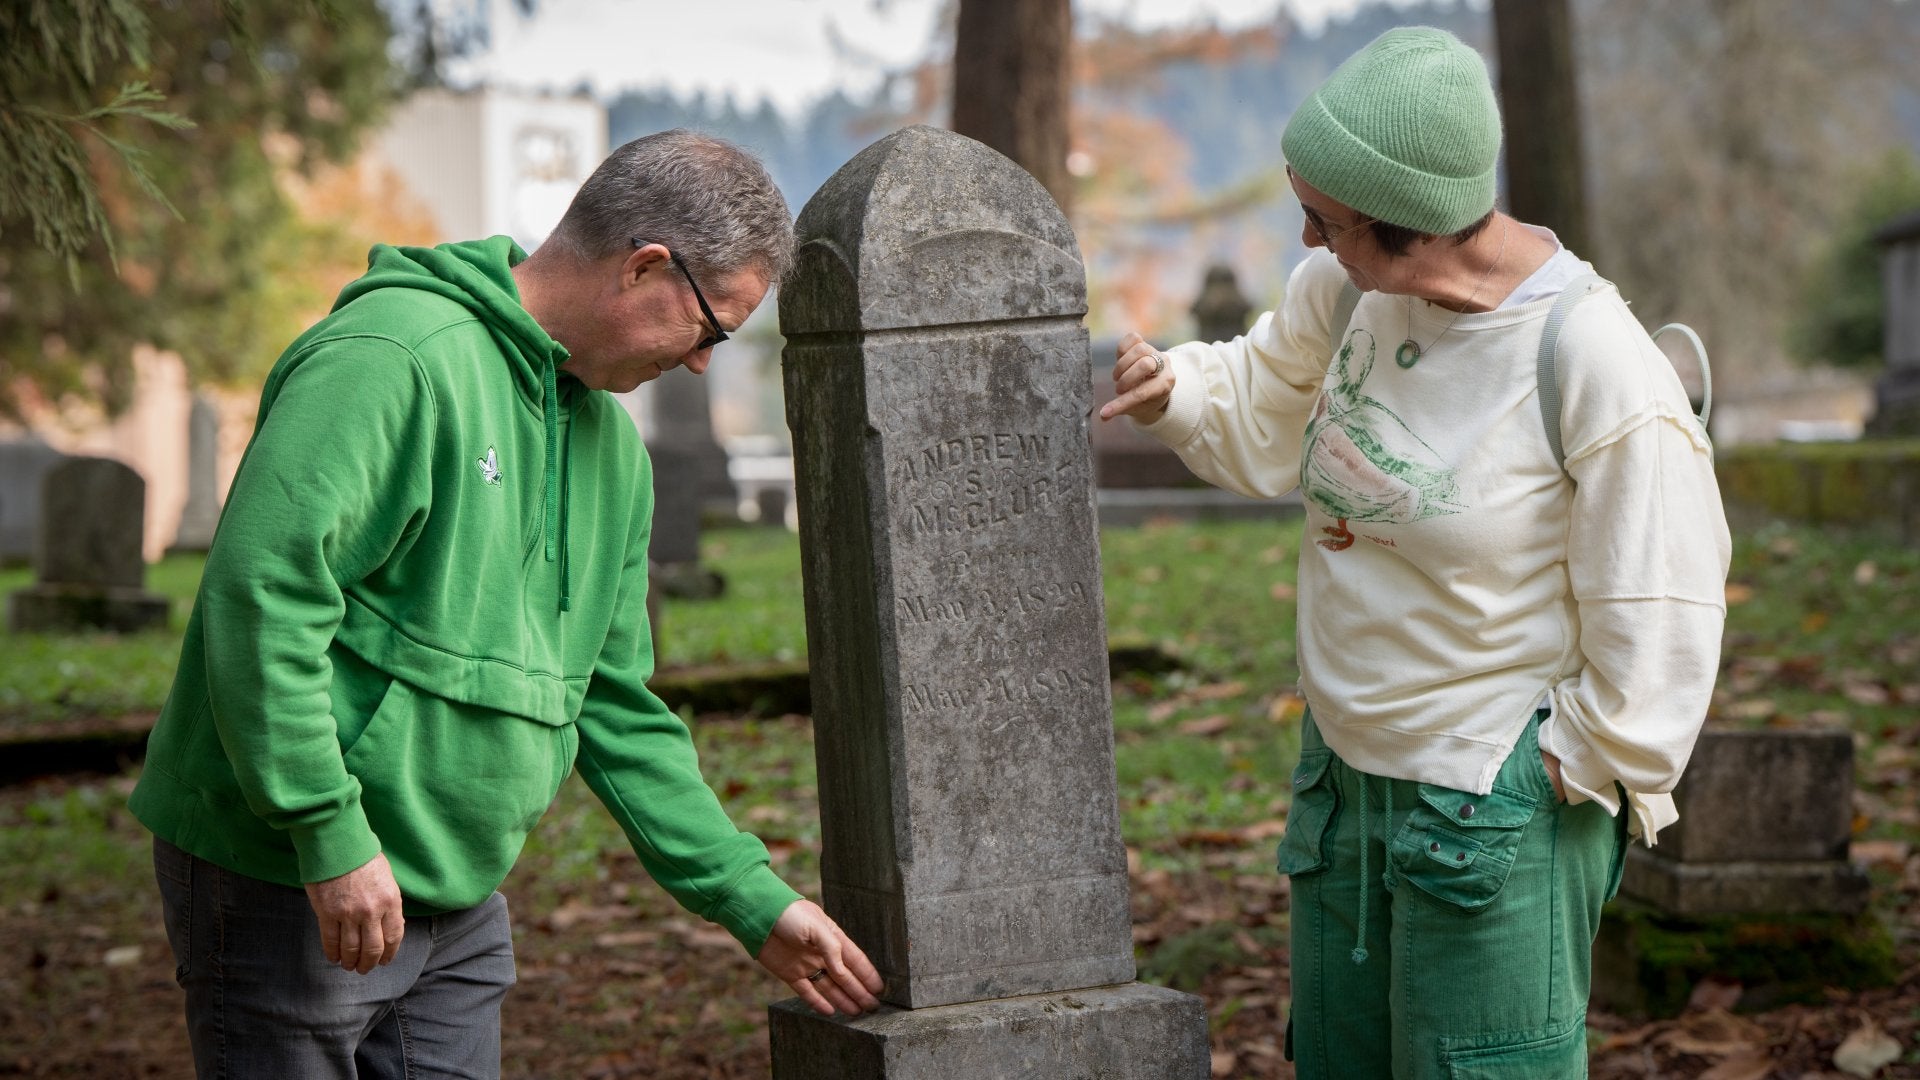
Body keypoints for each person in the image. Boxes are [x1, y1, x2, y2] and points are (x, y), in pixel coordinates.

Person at [130, 129, 883, 1078]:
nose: (702, 363)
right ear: (646, 266)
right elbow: (262, 598)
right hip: (289, 877)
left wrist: (750, 898)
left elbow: (611, 702)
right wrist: (328, 835)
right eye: (712, 327)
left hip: (459, 901)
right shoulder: (392, 360)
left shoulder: (613, 454)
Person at [1101, 28, 1729, 1079]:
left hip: (1497, 801)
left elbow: (1663, 594)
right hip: (1343, 781)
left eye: (1325, 219)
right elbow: (1265, 394)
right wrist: (1179, 390)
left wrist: (1566, 768)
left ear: (1415, 226)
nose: (1306, 239)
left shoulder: (1588, 357)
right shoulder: (1348, 288)